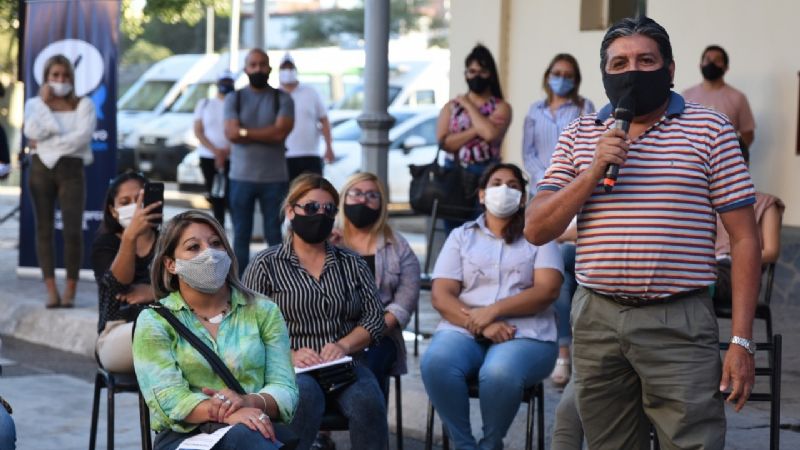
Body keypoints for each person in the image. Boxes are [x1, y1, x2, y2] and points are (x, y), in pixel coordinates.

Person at [525, 16, 760, 450]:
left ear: (669, 70)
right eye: (619, 64)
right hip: (597, 320)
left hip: (679, 321)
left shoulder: (711, 130)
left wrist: (742, 341)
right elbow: (538, 228)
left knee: (693, 443)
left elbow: (745, 239)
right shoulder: (580, 134)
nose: (631, 71)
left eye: (645, 60)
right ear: (604, 74)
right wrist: (594, 169)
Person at [421, 163, 562, 450]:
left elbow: (547, 290)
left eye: (513, 186)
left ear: (523, 198)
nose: (504, 190)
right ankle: (464, 445)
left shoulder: (539, 236)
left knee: (498, 372)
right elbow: (442, 295)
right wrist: (483, 323)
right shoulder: (461, 236)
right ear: (482, 195)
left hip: (527, 334)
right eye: (496, 183)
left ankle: (490, 444)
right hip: (465, 327)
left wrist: (494, 310)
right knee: (436, 362)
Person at [242, 174, 387, 450]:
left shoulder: (352, 263)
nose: (320, 215)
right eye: (311, 208)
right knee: (304, 397)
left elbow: (374, 318)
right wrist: (289, 355)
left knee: (368, 401)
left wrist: (343, 345)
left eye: (328, 209)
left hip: (345, 364)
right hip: (288, 366)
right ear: (290, 211)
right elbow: (246, 328)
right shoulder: (266, 264)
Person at [132, 211, 298, 450]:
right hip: (186, 438)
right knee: (244, 436)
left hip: (254, 427)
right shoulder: (155, 321)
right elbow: (168, 399)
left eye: (216, 243)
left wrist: (247, 402)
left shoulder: (264, 311)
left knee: (246, 435)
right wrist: (225, 414)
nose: (209, 254)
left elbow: (285, 389)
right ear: (171, 264)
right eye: (193, 247)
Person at [334, 172, 420, 399]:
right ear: (344, 198)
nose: (363, 200)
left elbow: (403, 304)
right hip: (328, 330)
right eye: (357, 193)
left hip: (380, 335)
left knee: (369, 363)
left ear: (382, 204)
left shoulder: (398, 246)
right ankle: (323, 426)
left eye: (372, 195)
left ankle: (370, 428)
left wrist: (365, 335)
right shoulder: (327, 239)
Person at [23, 54, 96, 308]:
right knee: (43, 229)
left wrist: (48, 141)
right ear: (46, 78)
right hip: (41, 169)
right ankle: (51, 289)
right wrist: (44, 104)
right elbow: (31, 132)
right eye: (55, 75)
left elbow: (83, 138)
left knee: (72, 231)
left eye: (65, 76)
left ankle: (71, 290)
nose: (60, 80)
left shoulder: (83, 104)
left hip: (72, 169)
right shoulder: (35, 103)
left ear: (72, 78)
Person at [224, 48, 295, 274]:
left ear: (270, 68)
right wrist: (266, 132)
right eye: (253, 64)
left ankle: (276, 279)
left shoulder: (282, 98)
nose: (258, 69)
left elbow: (280, 133)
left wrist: (245, 132)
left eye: (262, 64)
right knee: (240, 235)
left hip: (274, 178)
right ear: (245, 69)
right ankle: (241, 282)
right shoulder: (234, 98)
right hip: (240, 177)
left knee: (274, 234)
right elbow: (231, 134)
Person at [90, 171, 160, 373]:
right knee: (155, 331)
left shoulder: (169, 241)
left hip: (167, 328)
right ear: (113, 210)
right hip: (118, 331)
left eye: (140, 199)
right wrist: (130, 237)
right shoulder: (106, 244)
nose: (135, 207)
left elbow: (191, 290)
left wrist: (155, 292)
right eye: (125, 201)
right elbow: (118, 285)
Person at [713, 144, 784, 308]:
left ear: (744, 165)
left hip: (742, 271)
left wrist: (739, 257)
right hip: (711, 267)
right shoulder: (711, 201)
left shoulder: (766, 203)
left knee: (703, 281)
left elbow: (771, 252)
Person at [436, 44, 511, 180]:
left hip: (486, 173)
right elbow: (444, 143)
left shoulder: (501, 107)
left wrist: (468, 105)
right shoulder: (451, 106)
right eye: (472, 71)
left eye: (482, 72)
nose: (477, 76)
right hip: (453, 172)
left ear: (491, 75)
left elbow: (489, 135)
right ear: (466, 74)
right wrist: (479, 129)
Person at [522, 53, 595, 186]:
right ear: (548, 76)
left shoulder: (584, 107)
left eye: (568, 76)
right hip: (540, 185)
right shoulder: (535, 109)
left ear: (575, 80)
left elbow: (587, 146)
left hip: (572, 184)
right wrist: (545, 177)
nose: (562, 79)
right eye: (557, 73)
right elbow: (528, 153)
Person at [682, 45, 756, 148]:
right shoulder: (686, 96)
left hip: (726, 161)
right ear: (700, 65)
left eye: (717, 60)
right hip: (692, 160)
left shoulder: (738, 97)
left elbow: (748, 133)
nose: (711, 64)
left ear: (726, 67)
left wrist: (734, 154)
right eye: (707, 59)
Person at [278, 53, 335, 181]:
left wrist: (329, 147)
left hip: (310, 154)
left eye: (290, 67)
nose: (288, 71)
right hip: (284, 156)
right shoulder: (275, 95)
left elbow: (324, 120)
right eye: (284, 68)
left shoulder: (311, 92)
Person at [194, 71, 234, 226]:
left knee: (231, 197)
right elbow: (198, 130)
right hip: (208, 156)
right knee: (215, 196)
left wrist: (226, 151)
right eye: (224, 82)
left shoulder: (235, 104)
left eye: (229, 82)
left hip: (231, 157)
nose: (226, 85)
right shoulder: (205, 104)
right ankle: (219, 228)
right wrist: (216, 151)